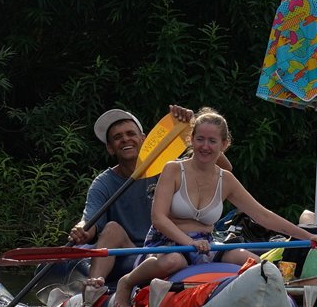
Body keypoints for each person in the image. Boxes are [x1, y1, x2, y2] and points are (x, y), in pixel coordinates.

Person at [111, 108, 317, 307]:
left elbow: (262, 215)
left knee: (255, 262)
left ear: (223, 144)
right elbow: (158, 218)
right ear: (191, 140)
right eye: (200, 139)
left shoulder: (227, 180)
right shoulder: (173, 169)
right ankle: (127, 281)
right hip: (167, 242)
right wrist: (190, 243)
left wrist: (307, 235)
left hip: (206, 245)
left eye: (212, 141)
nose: (205, 146)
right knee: (174, 260)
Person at [67, 104, 229, 286]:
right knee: (112, 228)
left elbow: (221, 169)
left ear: (143, 139)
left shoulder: (170, 169)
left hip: (170, 247)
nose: (125, 140)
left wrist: (192, 127)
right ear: (110, 148)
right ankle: (93, 287)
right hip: (129, 255)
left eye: (130, 134)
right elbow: (89, 221)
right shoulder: (103, 183)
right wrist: (81, 229)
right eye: (117, 137)